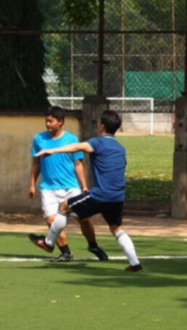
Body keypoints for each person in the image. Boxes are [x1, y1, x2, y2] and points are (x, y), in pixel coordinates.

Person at [28, 110, 142, 272]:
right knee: (116, 228)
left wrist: (52, 150)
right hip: (117, 196)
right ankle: (135, 264)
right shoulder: (120, 147)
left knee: (64, 207)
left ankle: (48, 242)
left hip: (100, 194)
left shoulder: (98, 142)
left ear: (102, 126)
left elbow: (78, 146)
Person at [29, 106, 91, 262]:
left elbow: (78, 164)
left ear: (61, 122)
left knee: (83, 219)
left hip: (71, 187)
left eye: (51, 121)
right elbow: (35, 163)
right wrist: (31, 184)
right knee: (51, 221)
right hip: (48, 189)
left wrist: (83, 185)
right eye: (46, 121)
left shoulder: (72, 140)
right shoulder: (38, 139)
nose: (48, 124)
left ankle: (93, 245)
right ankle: (66, 253)